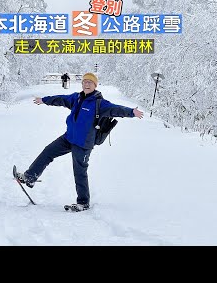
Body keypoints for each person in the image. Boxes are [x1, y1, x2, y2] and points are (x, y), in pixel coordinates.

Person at [14, 72, 144, 212]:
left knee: (79, 172)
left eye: (90, 82)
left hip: (83, 144)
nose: (86, 84)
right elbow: (61, 99)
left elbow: (116, 109)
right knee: (48, 152)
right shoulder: (76, 98)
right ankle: (29, 177)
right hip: (68, 138)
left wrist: (131, 112)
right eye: (84, 82)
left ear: (95, 85)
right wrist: (44, 100)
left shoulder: (100, 104)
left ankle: (83, 202)